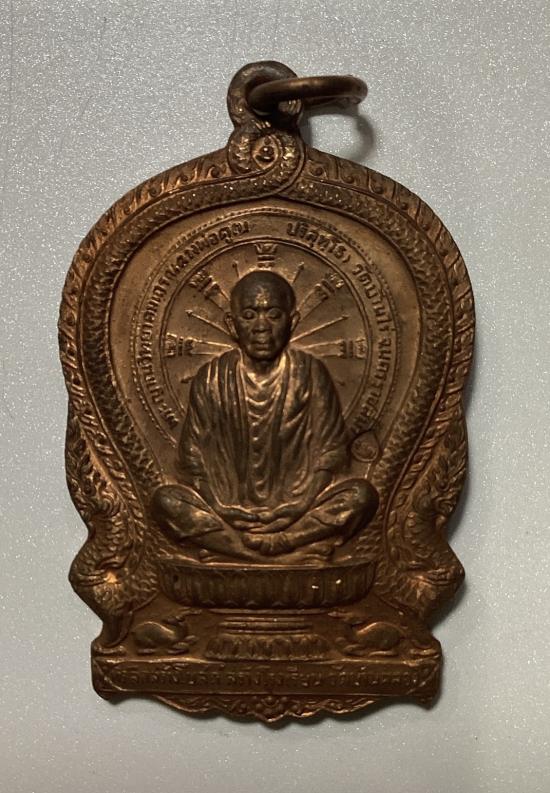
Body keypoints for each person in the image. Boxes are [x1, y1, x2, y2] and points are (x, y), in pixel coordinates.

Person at [152, 269, 378, 561]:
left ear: (292, 321)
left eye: (273, 315)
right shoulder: (212, 377)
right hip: (227, 512)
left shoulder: (310, 373)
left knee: (361, 496)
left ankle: (276, 544)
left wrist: (301, 505)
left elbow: (330, 454)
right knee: (166, 501)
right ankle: (267, 553)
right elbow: (192, 460)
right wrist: (219, 506)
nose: (261, 327)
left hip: (299, 511)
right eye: (249, 315)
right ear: (232, 325)